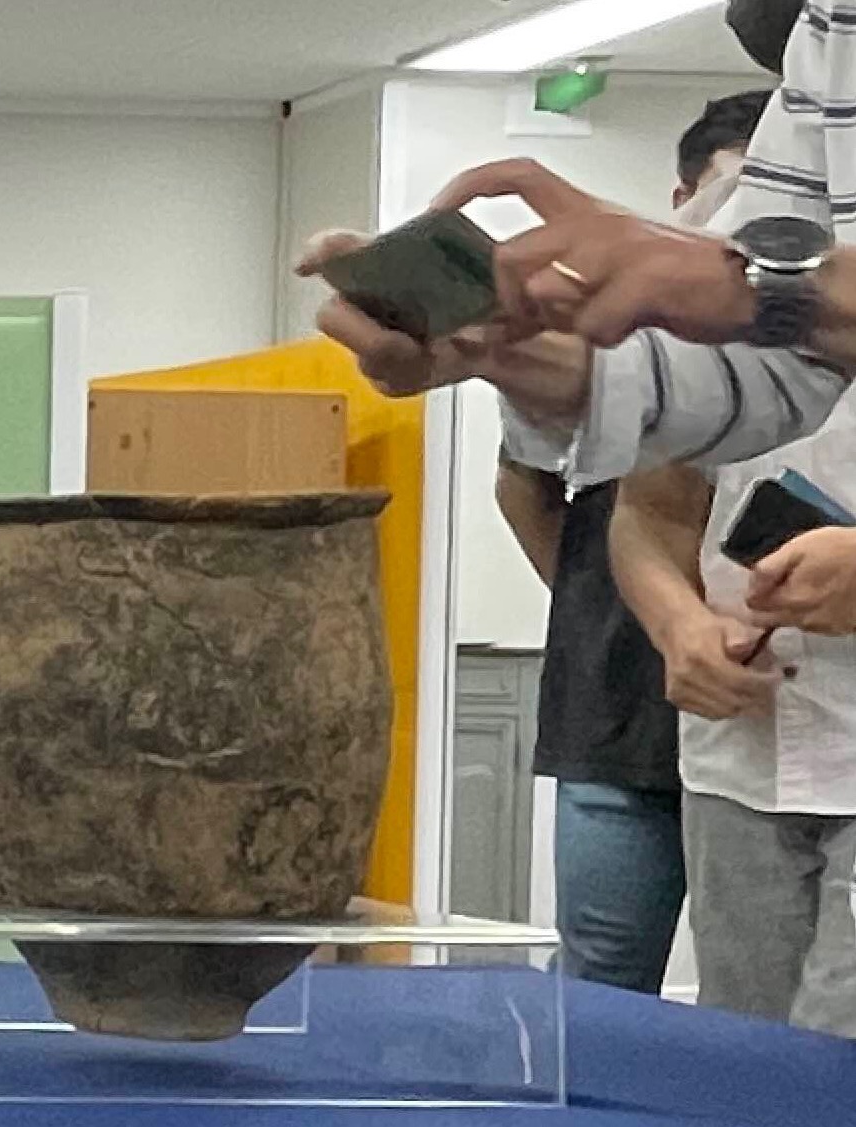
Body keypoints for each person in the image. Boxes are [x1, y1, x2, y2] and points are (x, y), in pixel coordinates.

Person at [303, 0, 835, 494]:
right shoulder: (825, 34)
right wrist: (505, 346)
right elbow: (790, 383)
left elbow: (783, 311)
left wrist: (760, 284)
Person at [493, 90, 769, 994]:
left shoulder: (805, 347)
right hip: (619, 712)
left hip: (769, 713)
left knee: (760, 995)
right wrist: (608, 612)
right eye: (735, 195)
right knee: (601, 984)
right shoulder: (628, 329)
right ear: (683, 199)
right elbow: (526, 489)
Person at [609, 387, 856, 1035]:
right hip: (737, 758)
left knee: (839, 1057)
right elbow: (648, 510)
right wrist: (677, 624)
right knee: (741, 1048)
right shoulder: (704, 338)